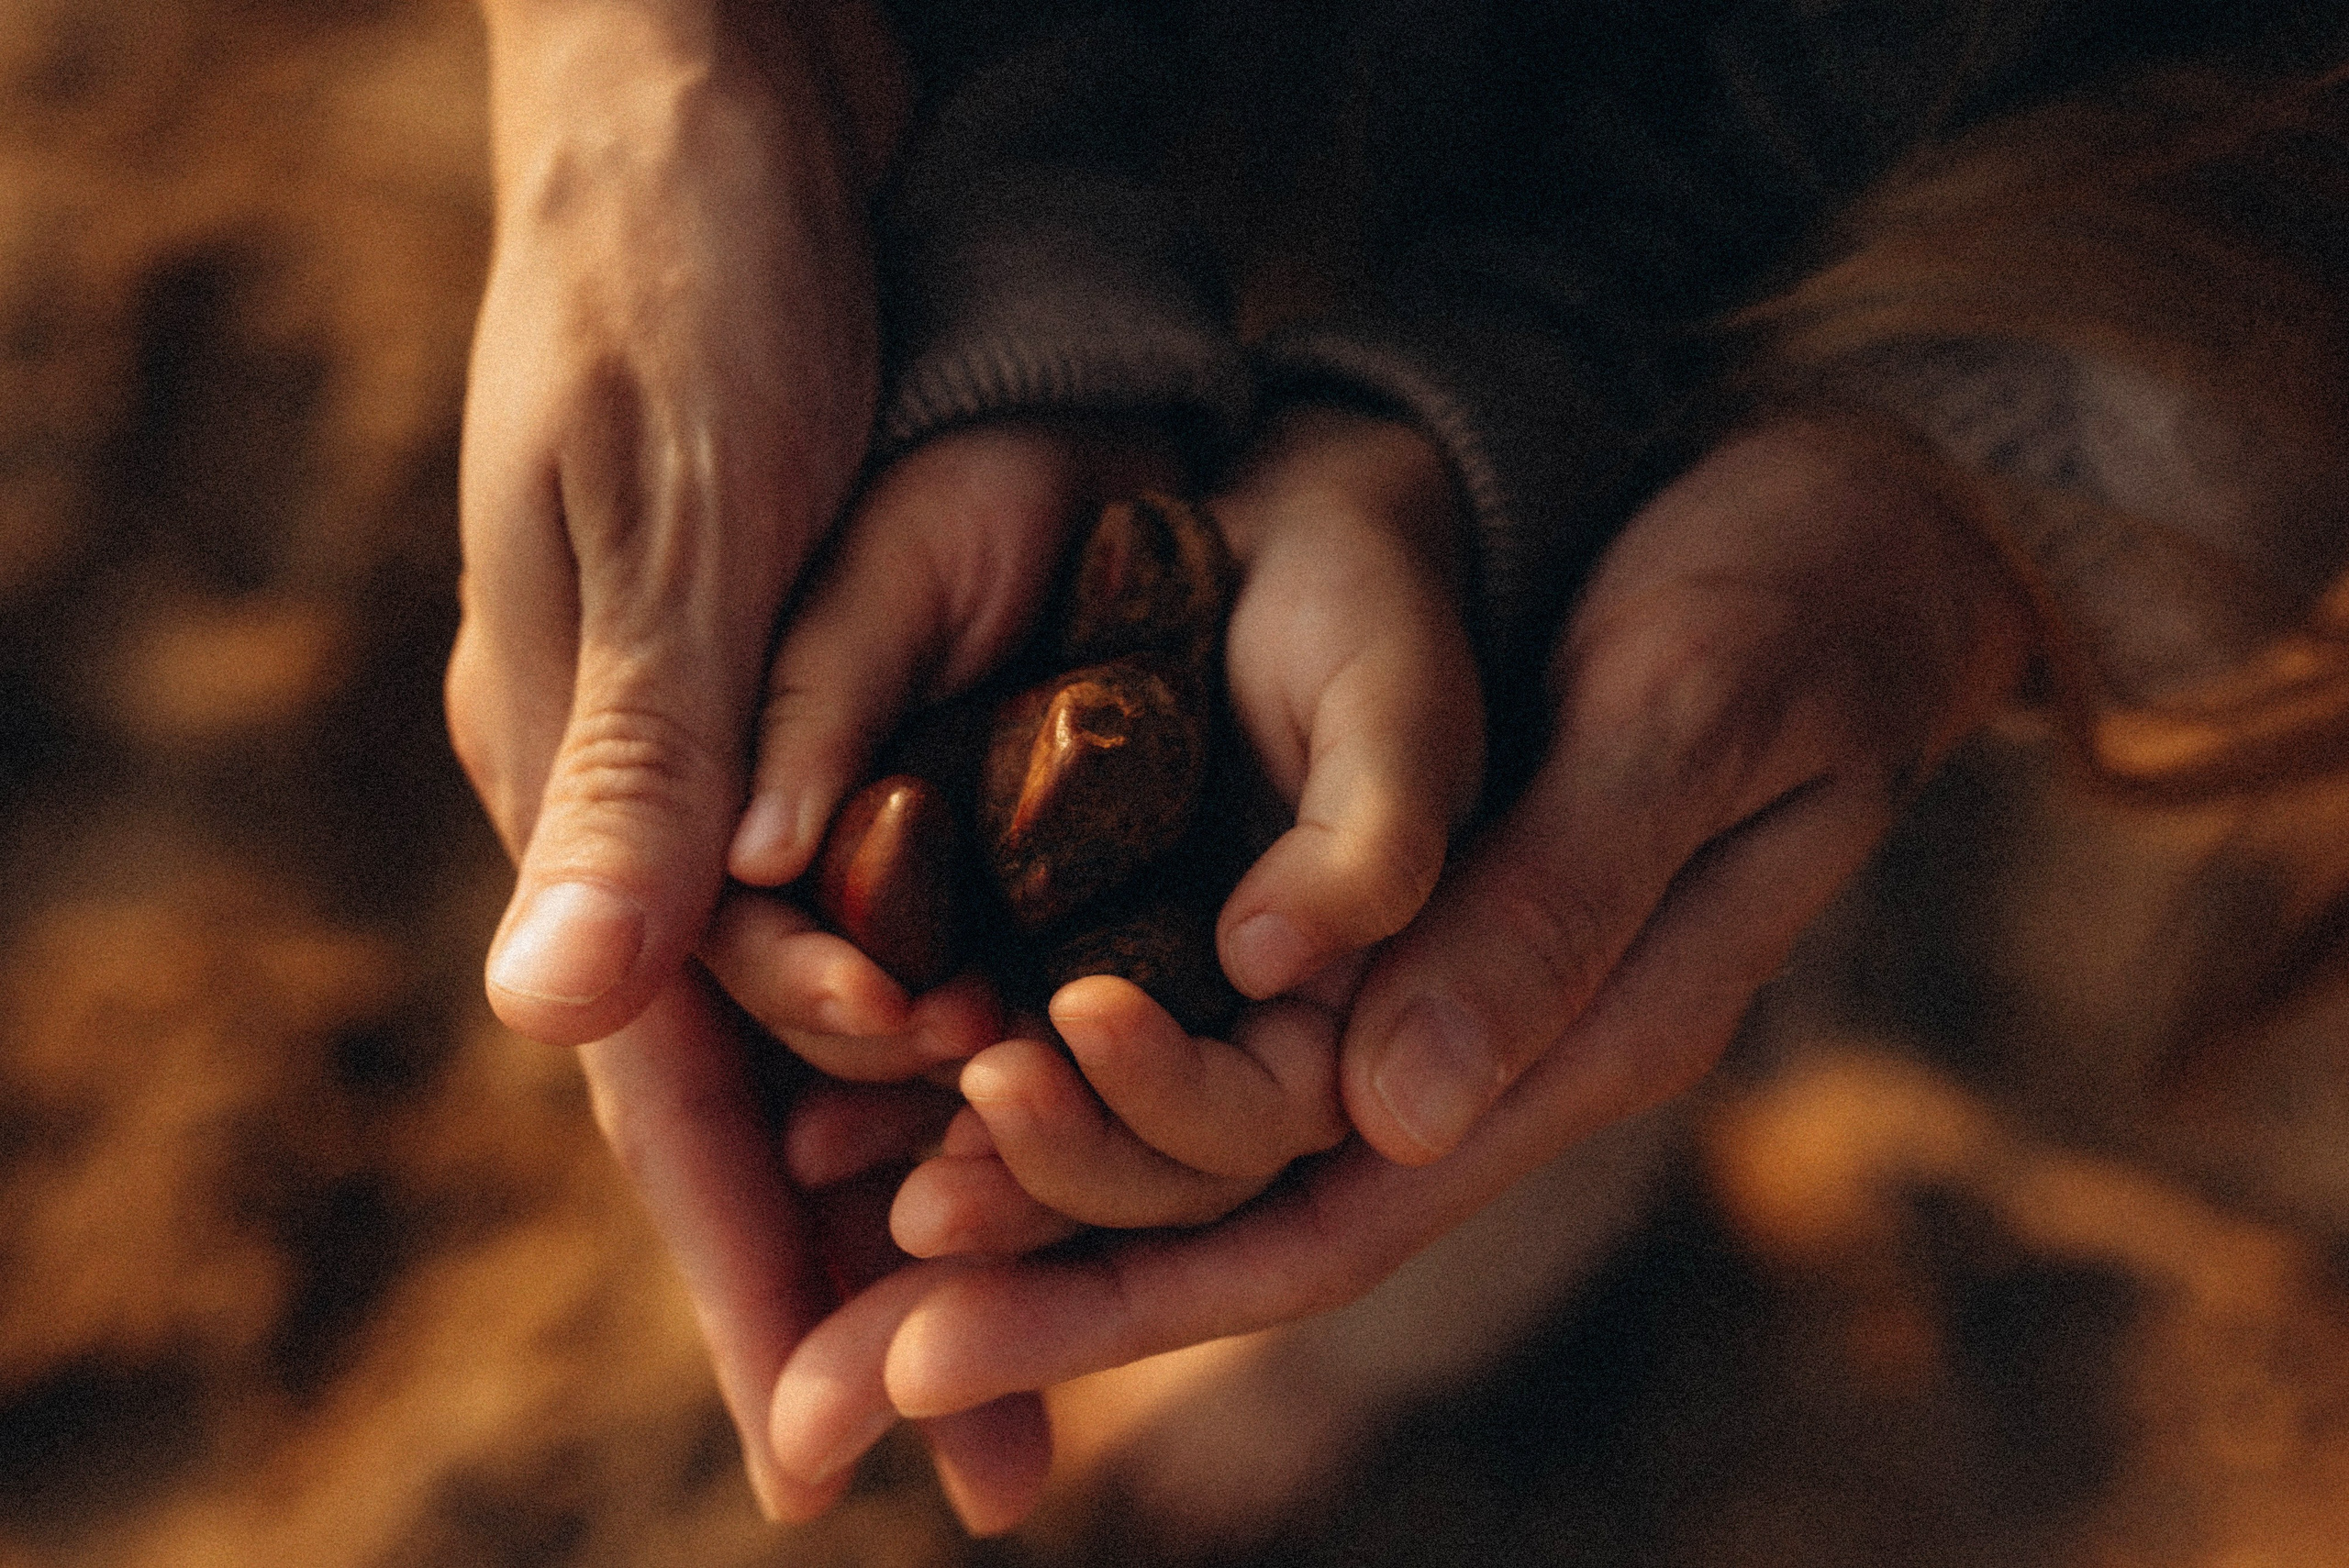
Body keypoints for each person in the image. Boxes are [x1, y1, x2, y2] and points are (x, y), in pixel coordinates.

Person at [451, 0, 2349, 1537]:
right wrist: (689, 67)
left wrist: (1949, 501)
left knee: (1540, 931)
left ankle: (1382, 1341)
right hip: (1225, 132)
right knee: (1436, 860)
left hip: (1960, 238)